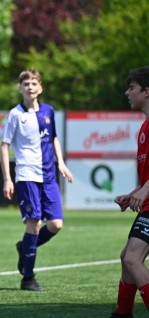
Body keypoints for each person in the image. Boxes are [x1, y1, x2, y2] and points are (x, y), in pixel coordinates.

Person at [0, 68, 73, 292]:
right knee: (34, 222)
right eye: (26, 84)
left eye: (34, 84)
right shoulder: (15, 114)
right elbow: (4, 145)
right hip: (27, 175)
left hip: (49, 175)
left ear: (40, 88)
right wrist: (7, 179)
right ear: (20, 88)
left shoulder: (49, 111)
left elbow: (54, 139)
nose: (30, 87)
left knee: (56, 224)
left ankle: (25, 247)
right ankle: (28, 278)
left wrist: (61, 162)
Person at [110, 66, 149, 318]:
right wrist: (135, 191)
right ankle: (122, 313)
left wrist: (145, 189)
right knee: (127, 257)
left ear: (146, 92)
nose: (127, 92)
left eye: (131, 88)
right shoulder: (145, 126)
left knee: (133, 259)